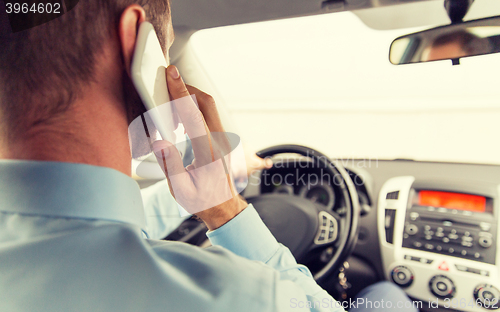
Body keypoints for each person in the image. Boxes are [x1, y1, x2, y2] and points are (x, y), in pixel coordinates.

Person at [0, 1, 418, 311]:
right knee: (385, 297)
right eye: (163, 60)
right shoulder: (243, 298)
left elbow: (96, 216)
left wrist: (210, 195)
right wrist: (226, 210)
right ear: (133, 42)